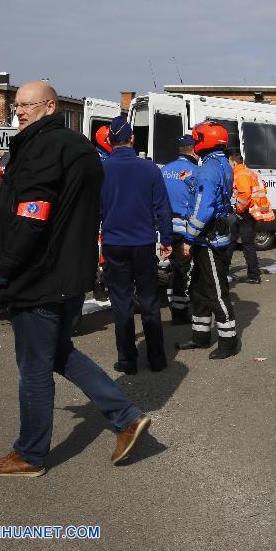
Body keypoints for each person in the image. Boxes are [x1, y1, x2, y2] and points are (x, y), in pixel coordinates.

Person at [0, 81, 150, 477]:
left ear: (50, 106)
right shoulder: (77, 147)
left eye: (27, 106)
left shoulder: (43, 147)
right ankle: (126, 417)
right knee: (60, 353)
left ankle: (29, 455)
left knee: (34, 368)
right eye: (16, 107)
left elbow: (33, 216)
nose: (19, 113)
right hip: (67, 275)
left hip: (38, 277)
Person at [100, 116, 173, 374]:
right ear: (132, 139)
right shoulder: (150, 169)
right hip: (142, 242)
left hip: (113, 243)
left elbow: (93, 210)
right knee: (150, 301)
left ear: (110, 140)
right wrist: (166, 239)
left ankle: (128, 361)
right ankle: (157, 359)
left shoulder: (102, 169)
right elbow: (162, 208)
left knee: (121, 303)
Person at [175, 122, 238, 359]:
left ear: (205, 140)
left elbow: (204, 208)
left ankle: (228, 342)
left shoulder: (209, 168)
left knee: (215, 291)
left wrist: (189, 238)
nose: (194, 141)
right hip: (212, 238)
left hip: (208, 241)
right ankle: (201, 336)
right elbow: (213, 190)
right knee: (199, 289)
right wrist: (191, 180)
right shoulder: (219, 163)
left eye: (197, 138)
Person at [161, 135, 200, 324]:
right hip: (186, 228)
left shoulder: (165, 170)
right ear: (193, 150)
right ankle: (180, 312)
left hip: (167, 227)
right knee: (184, 270)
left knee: (173, 268)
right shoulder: (196, 171)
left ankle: (172, 303)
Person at [227, 151, 275, 284]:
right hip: (250, 213)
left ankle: (250, 274)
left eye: (229, 163)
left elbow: (244, 193)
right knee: (245, 244)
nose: (229, 165)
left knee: (234, 242)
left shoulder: (240, 173)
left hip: (244, 213)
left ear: (234, 163)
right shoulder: (250, 172)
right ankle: (253, 274)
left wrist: (238, 209)